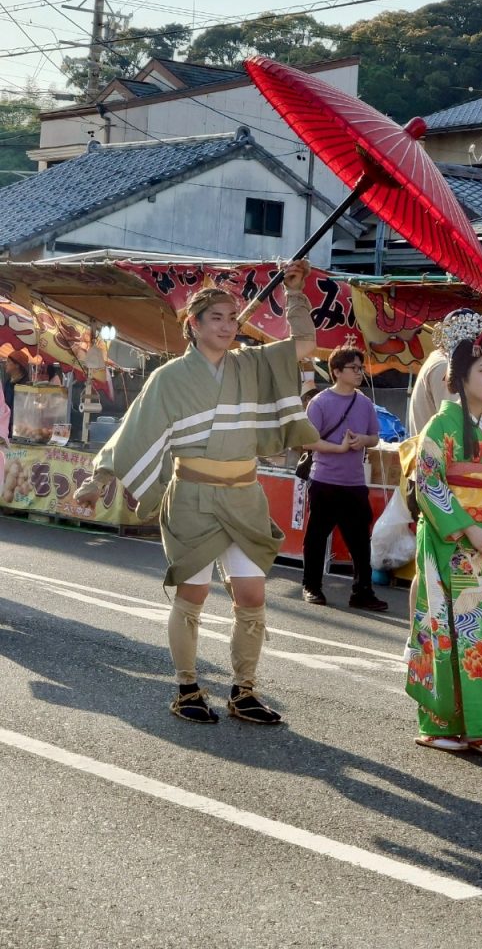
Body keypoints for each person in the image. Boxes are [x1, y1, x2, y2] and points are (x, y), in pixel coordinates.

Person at [75, 262, 319, 725]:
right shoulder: (168, 377)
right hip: (192, 497)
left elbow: (303, 345)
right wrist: (96, 481)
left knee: (252, 596)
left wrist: (295, 293)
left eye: (232, 318)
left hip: (245, 495)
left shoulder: (252, 364)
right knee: (193, 594)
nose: (228, 326)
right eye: (217, 318)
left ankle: (244, 691)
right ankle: (187, 688)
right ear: (193, 325)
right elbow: (133, 432)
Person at [406, 313, 482, 756]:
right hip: (453, 543)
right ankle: (439, 723)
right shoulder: (439, 427)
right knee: (446, 630)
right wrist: (470, 529)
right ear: (458, 376)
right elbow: (429, 482)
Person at [301, 343, 388, 612]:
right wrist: (338, 447)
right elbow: (307, 441)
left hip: (354, 483)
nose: (360, 372)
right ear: (337, 371)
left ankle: (362, 591)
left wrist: (363, 440)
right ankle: (311, 586)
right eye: (354, 367)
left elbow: (375, 437)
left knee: (360, 541)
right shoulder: (320, 402)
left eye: (361, 367)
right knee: (316, 536)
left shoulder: (365, 403)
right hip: (325, 479)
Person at [2, 349, 30, 434]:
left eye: (9, 362)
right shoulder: (8, 382)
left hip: (19, 428)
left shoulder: (25, 385)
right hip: (6, 425)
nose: (6, 364)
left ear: (17, 365)